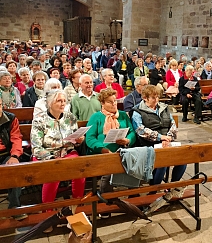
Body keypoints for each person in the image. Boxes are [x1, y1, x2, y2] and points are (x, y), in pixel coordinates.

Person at [31, 90, 86, 220]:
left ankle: (76, 206)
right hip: (46, 155)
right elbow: (36, 147)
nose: (63, 103)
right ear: (50, 103)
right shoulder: (39, 120)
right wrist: (53, 156)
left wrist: (79, 140)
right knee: (54, 173)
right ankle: (47, 213)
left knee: (80, 170)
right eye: (59, 101)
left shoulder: (70, 117)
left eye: (64, 101)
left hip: (67, 153)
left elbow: (74, 141)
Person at [131, 85, 186, 185]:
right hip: (148, 144)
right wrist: (161, 137)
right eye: (153, 97)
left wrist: (168, 138)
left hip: (166, 142)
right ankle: (154, 189)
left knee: (183, 159)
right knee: (163, 163)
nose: (156, 99)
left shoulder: (163, 108)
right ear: (145, 98)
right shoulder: (137, 111)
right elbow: (141, 130)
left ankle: (173, 186)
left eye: (157, 96)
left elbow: (172, 123)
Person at [86, 87, 136, 194]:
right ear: (102, 103)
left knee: (134, 162)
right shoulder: (96, 117)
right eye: (110, 102)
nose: (114, 104)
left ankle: (133, 196)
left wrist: (127, 140)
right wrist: (103, 149)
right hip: (104, 152)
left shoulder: (122, 115)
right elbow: (90, 138)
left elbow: (132, 132)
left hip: (123, 149)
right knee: (110, 166)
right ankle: (107, 198)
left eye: (115, 101)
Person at [0, 98, 27, 220]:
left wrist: (15, 155)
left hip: (6, 154)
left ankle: (14, 207)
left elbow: (16, 138)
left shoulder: (10, 118)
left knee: (15, 170)